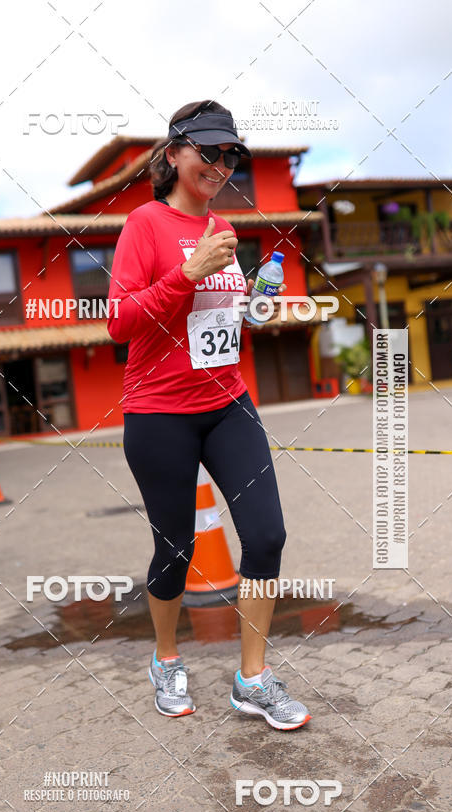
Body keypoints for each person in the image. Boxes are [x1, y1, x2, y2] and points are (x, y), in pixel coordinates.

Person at [107, 100, 311, 730]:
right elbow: (119, 323)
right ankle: (167, 659)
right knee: (176, 550)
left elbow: (217, 323)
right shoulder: (144, 224)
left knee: (268, 535)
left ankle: (252, 680)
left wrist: (252, 305)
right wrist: (188, 273)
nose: (221, 165)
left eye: (231, 156)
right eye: (209, 151)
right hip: (159, 412)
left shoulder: (224, 228)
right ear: (174, 154)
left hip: (229, 405)